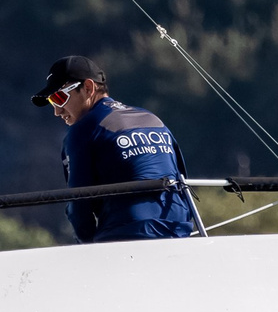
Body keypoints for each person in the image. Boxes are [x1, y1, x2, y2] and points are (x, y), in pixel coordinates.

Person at [31, 55, 202, 242]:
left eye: (59, 97)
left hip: (128, 233)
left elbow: (79, 208)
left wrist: (89, 248)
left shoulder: (82, 130)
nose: (57, 111)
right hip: (180, 228)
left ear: (88, 88)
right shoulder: (153, 119)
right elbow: (183, 181)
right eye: (51, 101)